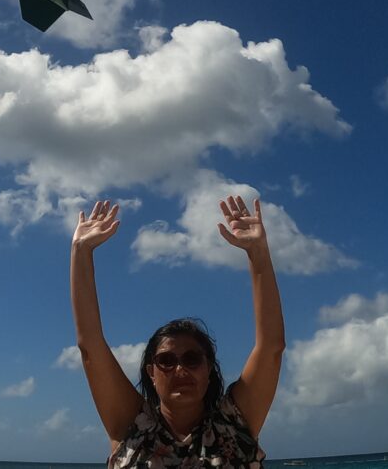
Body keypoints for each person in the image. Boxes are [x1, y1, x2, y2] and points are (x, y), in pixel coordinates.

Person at [70, 195, 285, 468]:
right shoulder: (132, 426)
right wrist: (80, 250)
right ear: (151, 372)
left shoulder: (233, 424)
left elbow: (272, 348)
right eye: (167, 361)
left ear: (208, 369)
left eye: (192, 359)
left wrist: (258, 252)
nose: (180, 369)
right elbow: (90, 345)